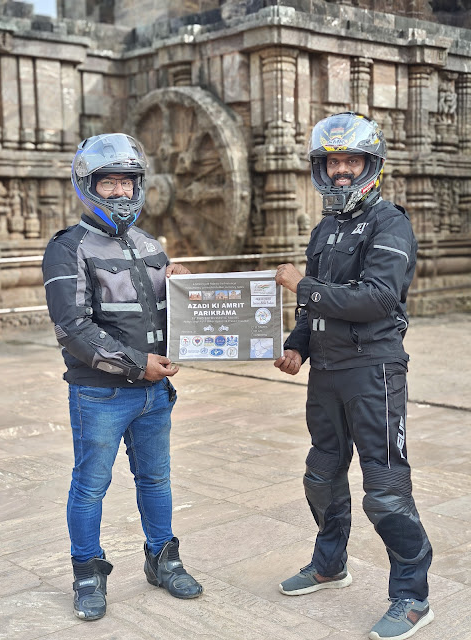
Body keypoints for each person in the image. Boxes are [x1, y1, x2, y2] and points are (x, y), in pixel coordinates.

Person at [274, 112, 433, 640]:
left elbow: (378, 298)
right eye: (333, 162)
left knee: (385, 490)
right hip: (327, 374)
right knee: (320, 477)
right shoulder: (325, 228)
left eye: (351, 161)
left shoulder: (391, 223)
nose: (341, 171)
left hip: (374, 372)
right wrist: (297, 346)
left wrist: (303, 288)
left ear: (371, 165)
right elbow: (314, 304)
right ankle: (329, 564)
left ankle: (411, 595)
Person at [42, 133, 203, 621]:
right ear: (86, 185)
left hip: (154, 394)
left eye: (126, 181)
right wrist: (137, 364)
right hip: (101, 395)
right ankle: (87, 573)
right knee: (91, 485)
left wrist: (187, 292)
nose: (118, 191)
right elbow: (73, 329)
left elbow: (164, 316)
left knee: (155, 480)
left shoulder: (150, 245)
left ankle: (163, 559)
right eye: (107, 182)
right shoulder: (68, 248)